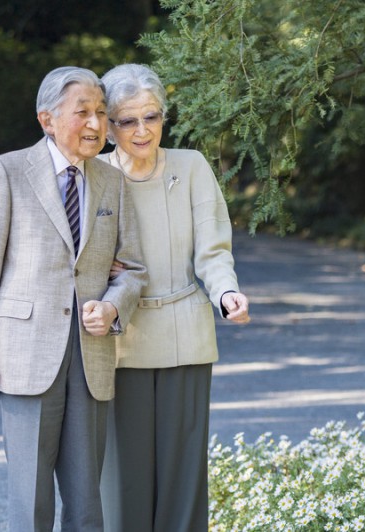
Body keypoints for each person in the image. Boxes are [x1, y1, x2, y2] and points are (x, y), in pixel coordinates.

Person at [0, 66, 147, 532]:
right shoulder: (8, 171)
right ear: (47, 119)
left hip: (91, 357)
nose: (95, 124)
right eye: (82, 112)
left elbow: (134, 269)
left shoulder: (111, 182)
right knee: (31, 497)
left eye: (101, 112)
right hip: (24, 353)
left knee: (87, 501)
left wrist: (114, 305)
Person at [97, 63, 251, 532]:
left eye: (152, 116)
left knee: (184, 480)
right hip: (119, 341)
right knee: (123, 483)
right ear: (107, 126)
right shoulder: (94, 174)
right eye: (128, 120)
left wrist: (227, 293)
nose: (143, 130)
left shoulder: (192, 167)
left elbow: (213, 248)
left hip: (186, 333)